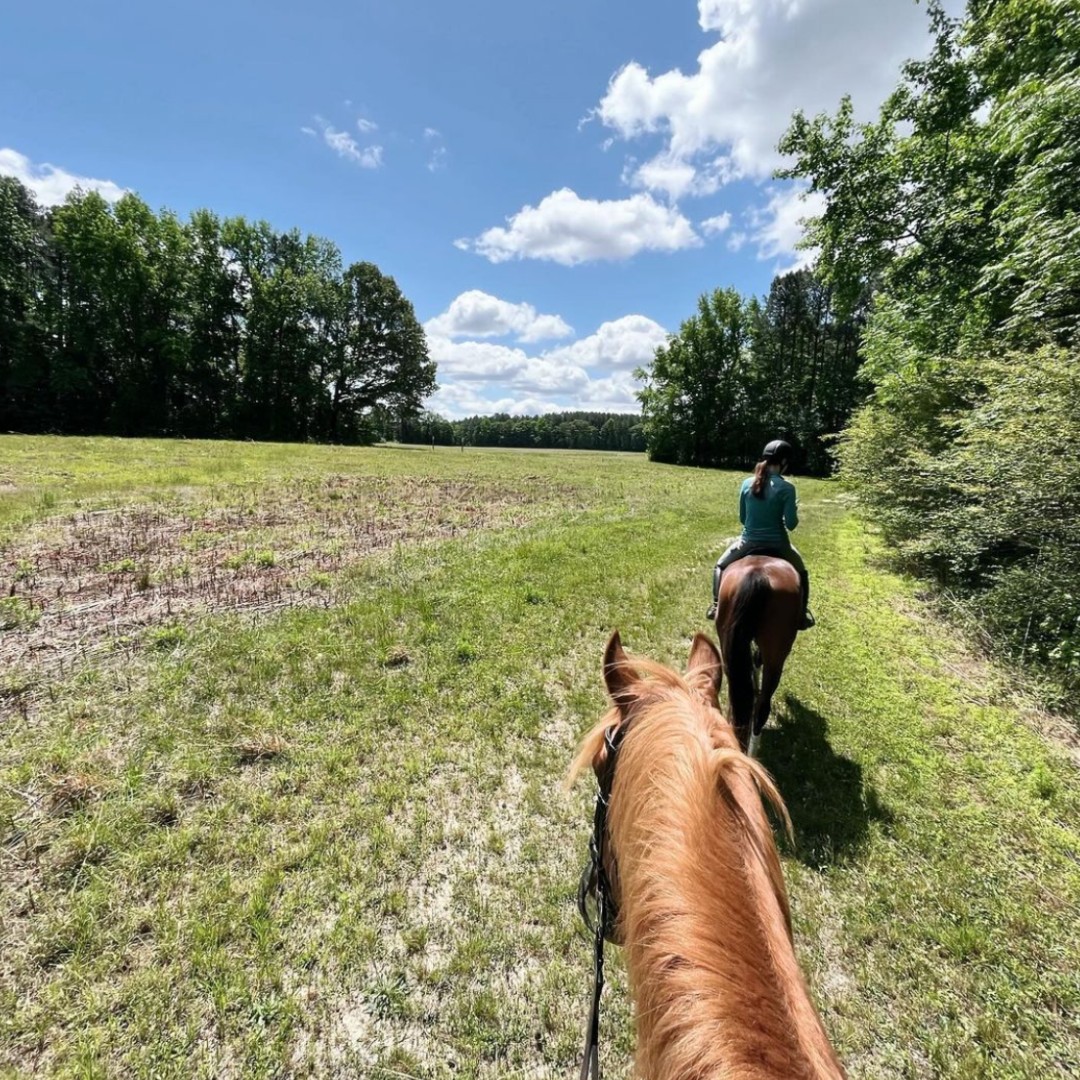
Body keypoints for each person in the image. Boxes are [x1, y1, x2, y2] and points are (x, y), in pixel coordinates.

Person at [705, 439, 815, 629]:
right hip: (778, 544)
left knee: (720, 565)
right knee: (802, 571)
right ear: (784, 463)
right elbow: (791, 525)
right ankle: (802, 614)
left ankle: (716, 606)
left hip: (748, 542)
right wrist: (793, 510)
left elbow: (742, 518)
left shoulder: (747, 483)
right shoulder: (787, 488)